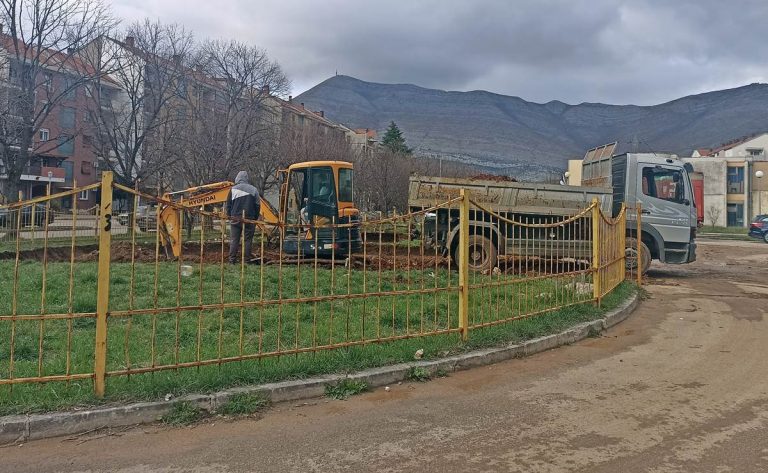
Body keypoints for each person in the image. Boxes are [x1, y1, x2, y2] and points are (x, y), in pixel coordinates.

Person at [225, 171, 260, 264]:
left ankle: (232, 261)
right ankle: (246, 261)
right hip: (249, 219)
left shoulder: (233, 189)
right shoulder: (254, 190)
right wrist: (255, 218)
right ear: (247, 178)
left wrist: (229, 216)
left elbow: (228, 205)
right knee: (248, 240)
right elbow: (257, 205)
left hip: (235, 218)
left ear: (237, 178)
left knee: (234, 240)